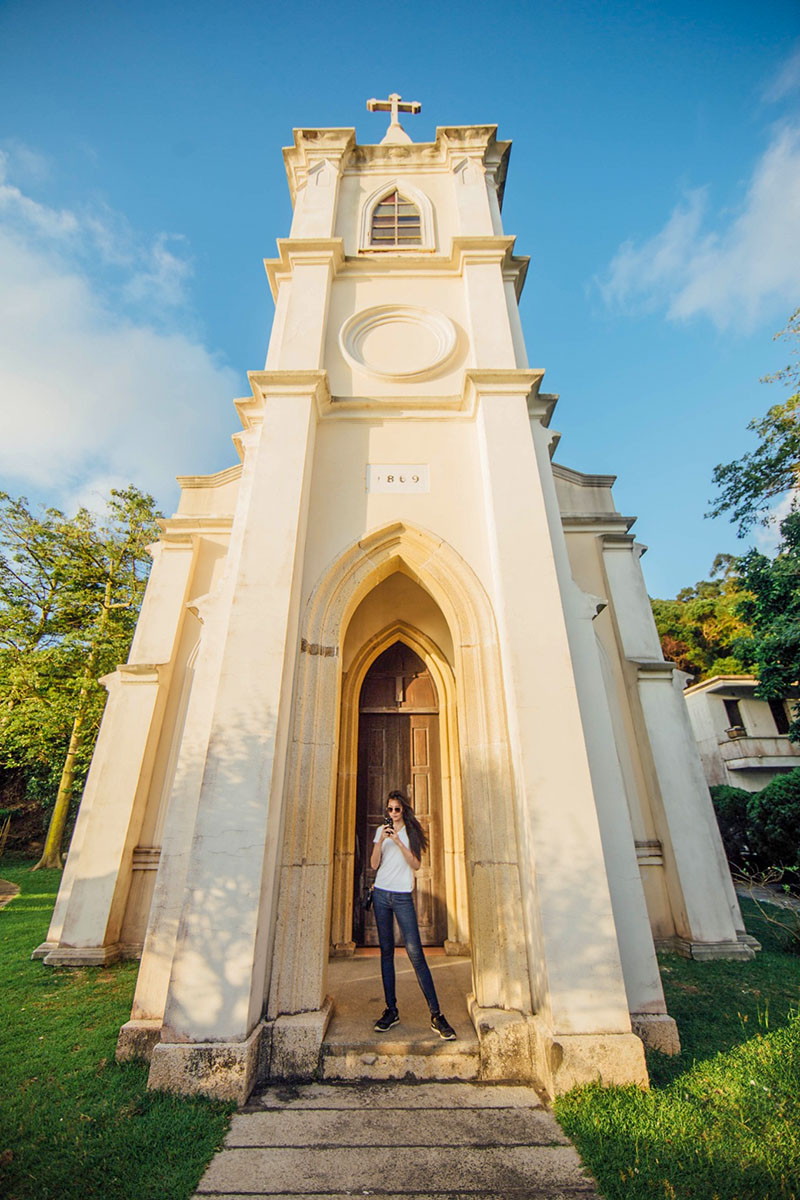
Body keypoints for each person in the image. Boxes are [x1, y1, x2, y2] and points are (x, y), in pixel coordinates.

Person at [370, 789, 456, 1040]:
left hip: (402, 897)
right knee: (386, 952)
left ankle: (436, 1014)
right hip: (381, 894)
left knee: (415, 953)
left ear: (404, 810)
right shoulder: (381, 831)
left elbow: (416, 864)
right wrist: (381, 841)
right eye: (389, 809)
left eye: (397, 809)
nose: (393, 813)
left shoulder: (412, 833)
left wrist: (398, 841)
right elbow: (374, 864)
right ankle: (391, 1010)